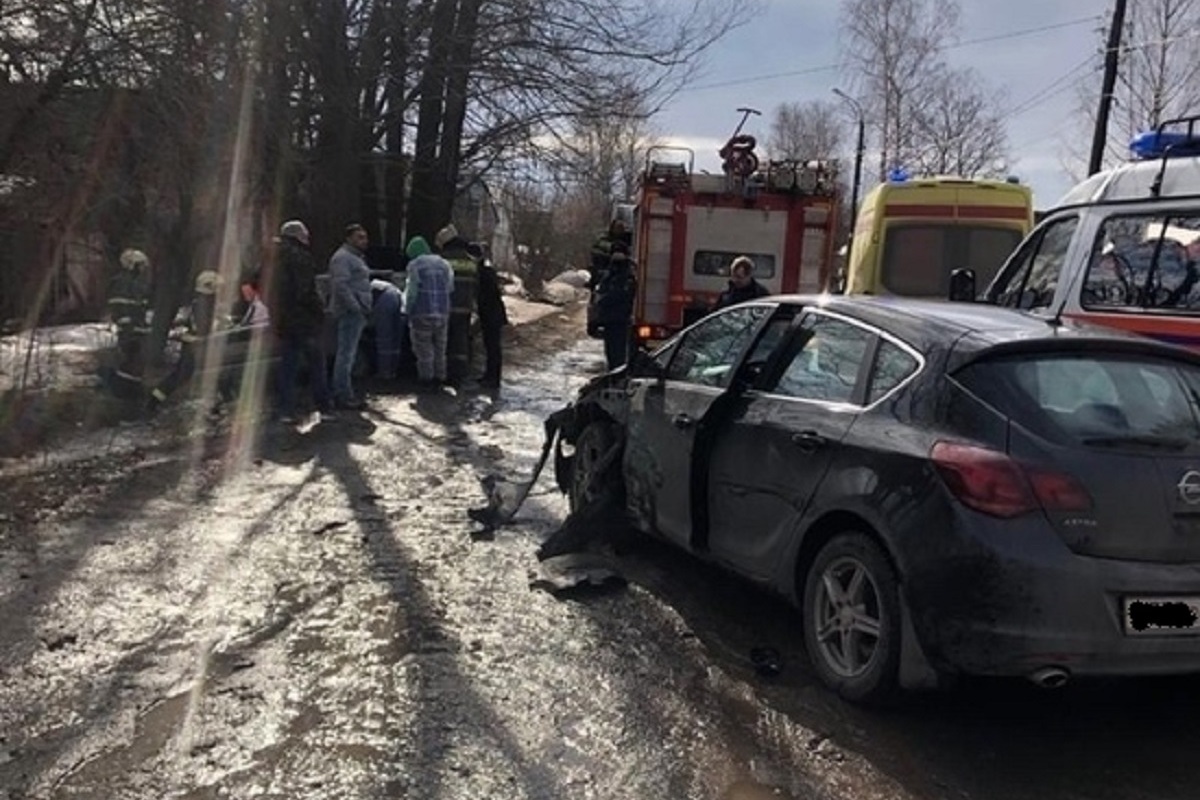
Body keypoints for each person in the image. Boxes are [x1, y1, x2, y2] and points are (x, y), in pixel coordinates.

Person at [270, 219, 335, 424]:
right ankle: (323, 407)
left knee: (288, 366)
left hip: (283, 319)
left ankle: (285, 410)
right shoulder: (301, 257)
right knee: (317, 364)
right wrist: (319, 311)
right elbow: (306, 290)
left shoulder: (270, 257)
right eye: (306, 234)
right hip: (305, 320)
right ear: (298, 236)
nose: (308, 238)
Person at [328, 223, 372, 409]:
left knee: (350, 353)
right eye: (359, 237)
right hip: (349, 313)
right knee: (346, 354)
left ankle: (346, 391)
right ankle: (342, 395)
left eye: (364, 237)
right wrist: (355, 307)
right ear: (348, 238)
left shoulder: (355, 258)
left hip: (357, 312)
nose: (364, 240)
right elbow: (341, 286)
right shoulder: (343, 258)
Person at [404, 235, 453, 390]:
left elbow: (412, 292)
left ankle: (427, 380)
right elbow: (450, 288)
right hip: (443, 312)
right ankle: (440, 378)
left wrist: (407, 309)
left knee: (424, 348)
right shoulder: (444, 264)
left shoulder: (415, 265)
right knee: (440, 348)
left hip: (422, 313)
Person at [105, 248, 153, 393]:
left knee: (138, 361)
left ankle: (132, 389)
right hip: (129, 330)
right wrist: (127, 325)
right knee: (129, 360)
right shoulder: (121, 283)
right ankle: (123, 390)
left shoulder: (137, 284)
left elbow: (141, 307)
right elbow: (117, 306)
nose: (142, 269)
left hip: (138, 329)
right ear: (131, 265)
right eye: (140, 265)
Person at [435, 224, 478, 384]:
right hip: (465, 307)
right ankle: (460, 374)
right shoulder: (470, 260)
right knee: (461, 341)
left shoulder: (442, 260)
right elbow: (475, 285)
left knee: (443, 341)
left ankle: (443, 373)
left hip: (445, 307)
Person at [469, 242, 508, 388]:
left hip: (492, 314)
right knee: (490, 346)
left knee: (493, 347)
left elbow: (487, 295)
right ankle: (490, 376)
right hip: (491, 314)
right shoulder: (486, 271)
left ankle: (493, 378)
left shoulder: (484, 272)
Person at [591, 250, 637, 370]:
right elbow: (601, 290)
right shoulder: (609, 275)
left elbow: (621, 295)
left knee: (618, 351)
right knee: (610, 350)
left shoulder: (627, 278)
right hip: (609, 319)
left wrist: (603, 299)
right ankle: (613, 369)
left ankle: (617, 372)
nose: (616, 265)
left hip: (620, 320)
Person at [372, 279, 405, 381]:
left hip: (384, 299)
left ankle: (384, 372)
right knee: (396, 337)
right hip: (398, 294)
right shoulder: (375, 282)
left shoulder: (361, 286)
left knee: (384, 338)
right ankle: (394, 370)